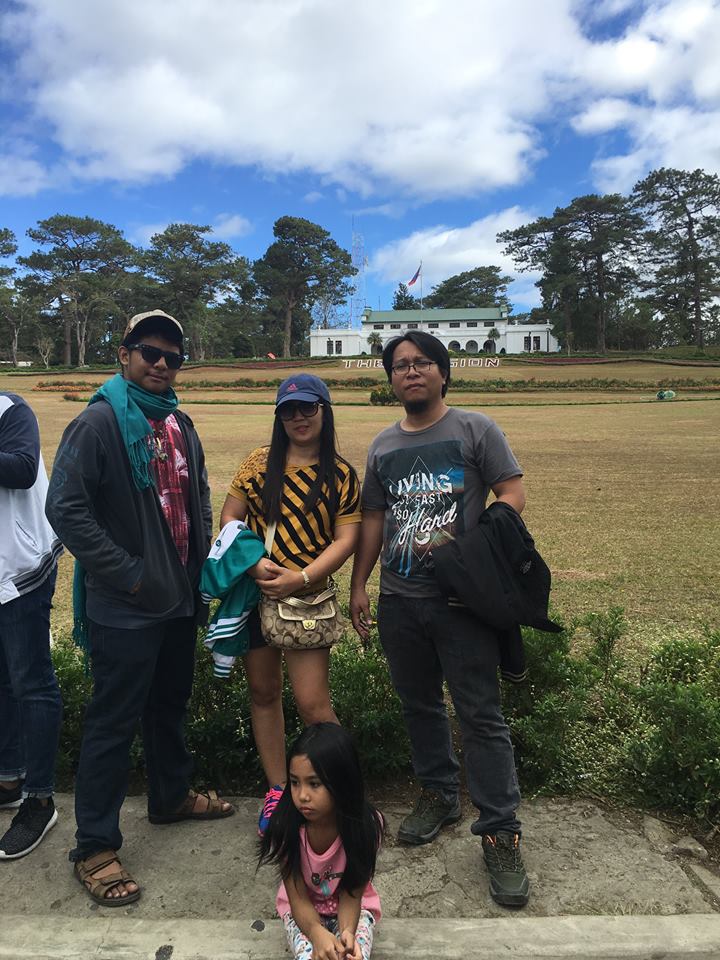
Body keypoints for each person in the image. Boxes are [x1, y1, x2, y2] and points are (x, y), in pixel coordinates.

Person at [45, 309, 232, 906]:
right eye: (149, 352)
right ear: (124, 354)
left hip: (178, 598)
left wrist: (199, 563)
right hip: (125, 606)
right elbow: (65, 508)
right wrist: (128, 575)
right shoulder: (99, 422)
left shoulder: (179, 421)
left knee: (168, 706)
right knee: (112, 723)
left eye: (171, 357)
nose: (160, 363)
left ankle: (169, 797)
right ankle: (94, 846)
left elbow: (198, 494)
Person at [349, 331, 530, 908]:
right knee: (419, 705)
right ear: (390, 379)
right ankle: (440, 794)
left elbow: (512, 494)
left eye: (422, 362)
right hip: (400, 601)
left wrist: (463, 542)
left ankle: (500, 830)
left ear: (444, 373)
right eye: (400, 365)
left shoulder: (476, 429)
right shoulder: (382, 446)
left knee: (480, 714)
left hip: (461, 601)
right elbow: (373, 519)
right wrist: (360, 584)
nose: (411, 371)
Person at [220, 374, 361, 834]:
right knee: (263, 693)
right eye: (288, 410)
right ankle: (279, 791)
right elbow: (230, 517)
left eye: (308, 408)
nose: (299, 417)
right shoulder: (258, 463)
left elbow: (346, 539)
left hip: (308, 601)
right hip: (257, 594)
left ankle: (343, 794)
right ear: (278, 417)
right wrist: (254, 564)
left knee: (313, 705)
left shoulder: (340, 474)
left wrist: (300, 577)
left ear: (324, 410)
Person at [258, 723, 383, 960]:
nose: (302, 795)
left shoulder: (366, 827)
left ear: (342, 782)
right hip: (303, 911)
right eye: (295, 782)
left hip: (354, 909)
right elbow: (297, 898)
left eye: (314, 784)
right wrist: (316, 932)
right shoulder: (284, 827)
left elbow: (352, 894)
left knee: (352, 955)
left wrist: (347, 933)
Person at [0, 393, 63, 860]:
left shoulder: (11, 410)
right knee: (3, 680)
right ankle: (9, 778)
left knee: (31, 682)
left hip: (21, 570)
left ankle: (40, 800)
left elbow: (22, 469)